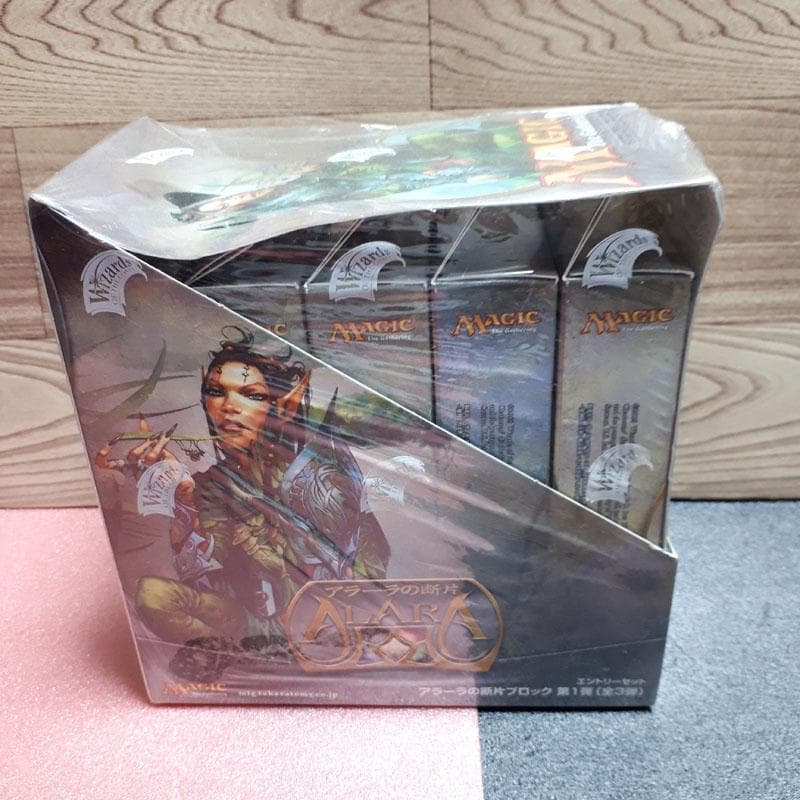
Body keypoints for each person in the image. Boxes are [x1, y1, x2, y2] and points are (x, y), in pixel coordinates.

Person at [96, 330, 390, 657]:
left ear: (282, 406)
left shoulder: (317, 471)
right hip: (254, 624)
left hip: (329, 617)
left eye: (250, 394)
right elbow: (208, 563)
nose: (229, 407)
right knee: (153, 595)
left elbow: (369, 545)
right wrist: (184, 509)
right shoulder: (211, 483)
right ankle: (231, 657)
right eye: (216, 392)